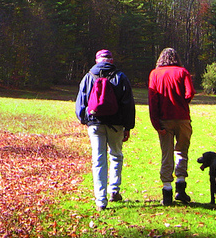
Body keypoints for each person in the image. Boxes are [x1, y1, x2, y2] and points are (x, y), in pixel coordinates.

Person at [75, 49, 136, 211]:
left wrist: (84, 119)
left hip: (95, 123)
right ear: (111, 60)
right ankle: (114, 190)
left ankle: (100, 200)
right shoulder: (120, 77)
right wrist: (128, 126)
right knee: (116, 155)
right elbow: (128, 103)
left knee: (98, 160)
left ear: (97, 60)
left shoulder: (88, 76)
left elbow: (81, 101)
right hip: (116, 124)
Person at [148, 47, 196, 206]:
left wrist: (155, 123)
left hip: (164, 120)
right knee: (181, 152)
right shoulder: (183, 72)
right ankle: (180, 188)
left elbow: (153, 101)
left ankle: (167, 191)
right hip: (182, 118)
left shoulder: (155, 74)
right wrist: (181, 103)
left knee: (166, 154)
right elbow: (189, 94)